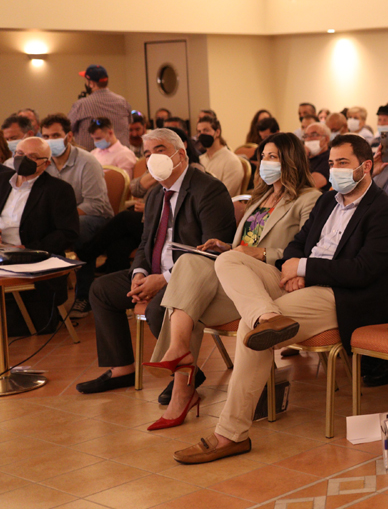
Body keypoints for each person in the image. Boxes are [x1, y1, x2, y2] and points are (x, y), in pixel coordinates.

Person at [173, 134, 388, 463]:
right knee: (229, 259)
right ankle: (268, 316)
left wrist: (305, 269)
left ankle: (230, 434)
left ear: (365, 167)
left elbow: (362, 271)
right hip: (300, 282)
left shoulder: (385, 212)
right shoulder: (328, 200)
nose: (335, 169)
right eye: (332, 163)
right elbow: (298, 242)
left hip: (342, 296)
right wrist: (292, 268)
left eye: (343, 163)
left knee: (251, 329)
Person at [146, 133, 321, 429]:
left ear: (290, 160)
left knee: (188, 299)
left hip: (273, 280)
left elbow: (307, 250)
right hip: (239, 275)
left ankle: (180, 380)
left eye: (273, 157)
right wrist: (227, 247)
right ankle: (181, 365)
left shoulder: (309, 199)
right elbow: (246, 243)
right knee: (189, 271)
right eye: (263, 157)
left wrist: (261, 253)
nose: (264, 163)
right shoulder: (261, 198)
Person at [76, 128, 236, 394]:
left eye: (159, 150)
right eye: (147, 153)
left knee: (157, 308)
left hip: (192, 279)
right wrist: (139, 273)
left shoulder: (208, 189)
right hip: (154, 272)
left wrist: (164, 279)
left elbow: (211, 252)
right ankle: (122, 369)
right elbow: (145, 243)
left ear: (181, 154)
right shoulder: (154, 195)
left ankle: (184, 372)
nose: (152, 158)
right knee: (102, 289)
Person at [0, 137, 80, 329]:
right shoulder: (2, 181)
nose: (23, 159)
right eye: (20, 154)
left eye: (32, 156)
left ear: (46, 164)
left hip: (32, 256)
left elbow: (68, 233)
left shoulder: (58, 190)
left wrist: (28, 248)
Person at [41, 113, 113, 246]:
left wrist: (61, 218)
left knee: (73, 226)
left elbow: (95, 205)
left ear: (69, 136)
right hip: (58, 219)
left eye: (56, 136)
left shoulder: (87, 162)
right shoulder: (42, 163)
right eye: (46, 137)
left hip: (94, 219)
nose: (50, 141)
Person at [68, 64, 131, 149]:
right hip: (120, 154)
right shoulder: (123, 102)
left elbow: (67, 128)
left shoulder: (81, 105)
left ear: (91, 84)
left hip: (90, 156)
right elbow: (129, 124)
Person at [195, 116, 244, 197]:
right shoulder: (200, 160)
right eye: (199, 131)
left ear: (217, 132)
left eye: (206, 130)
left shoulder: (232, 161)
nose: (202, 134)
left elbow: (225, 195)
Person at [303, 121, 331, 190]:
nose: (309, 139)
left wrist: (301, 157)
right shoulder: (306, 158)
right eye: (306, 136)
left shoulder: (330, 157)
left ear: (326, 139)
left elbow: (311, 184)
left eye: (314, 135)